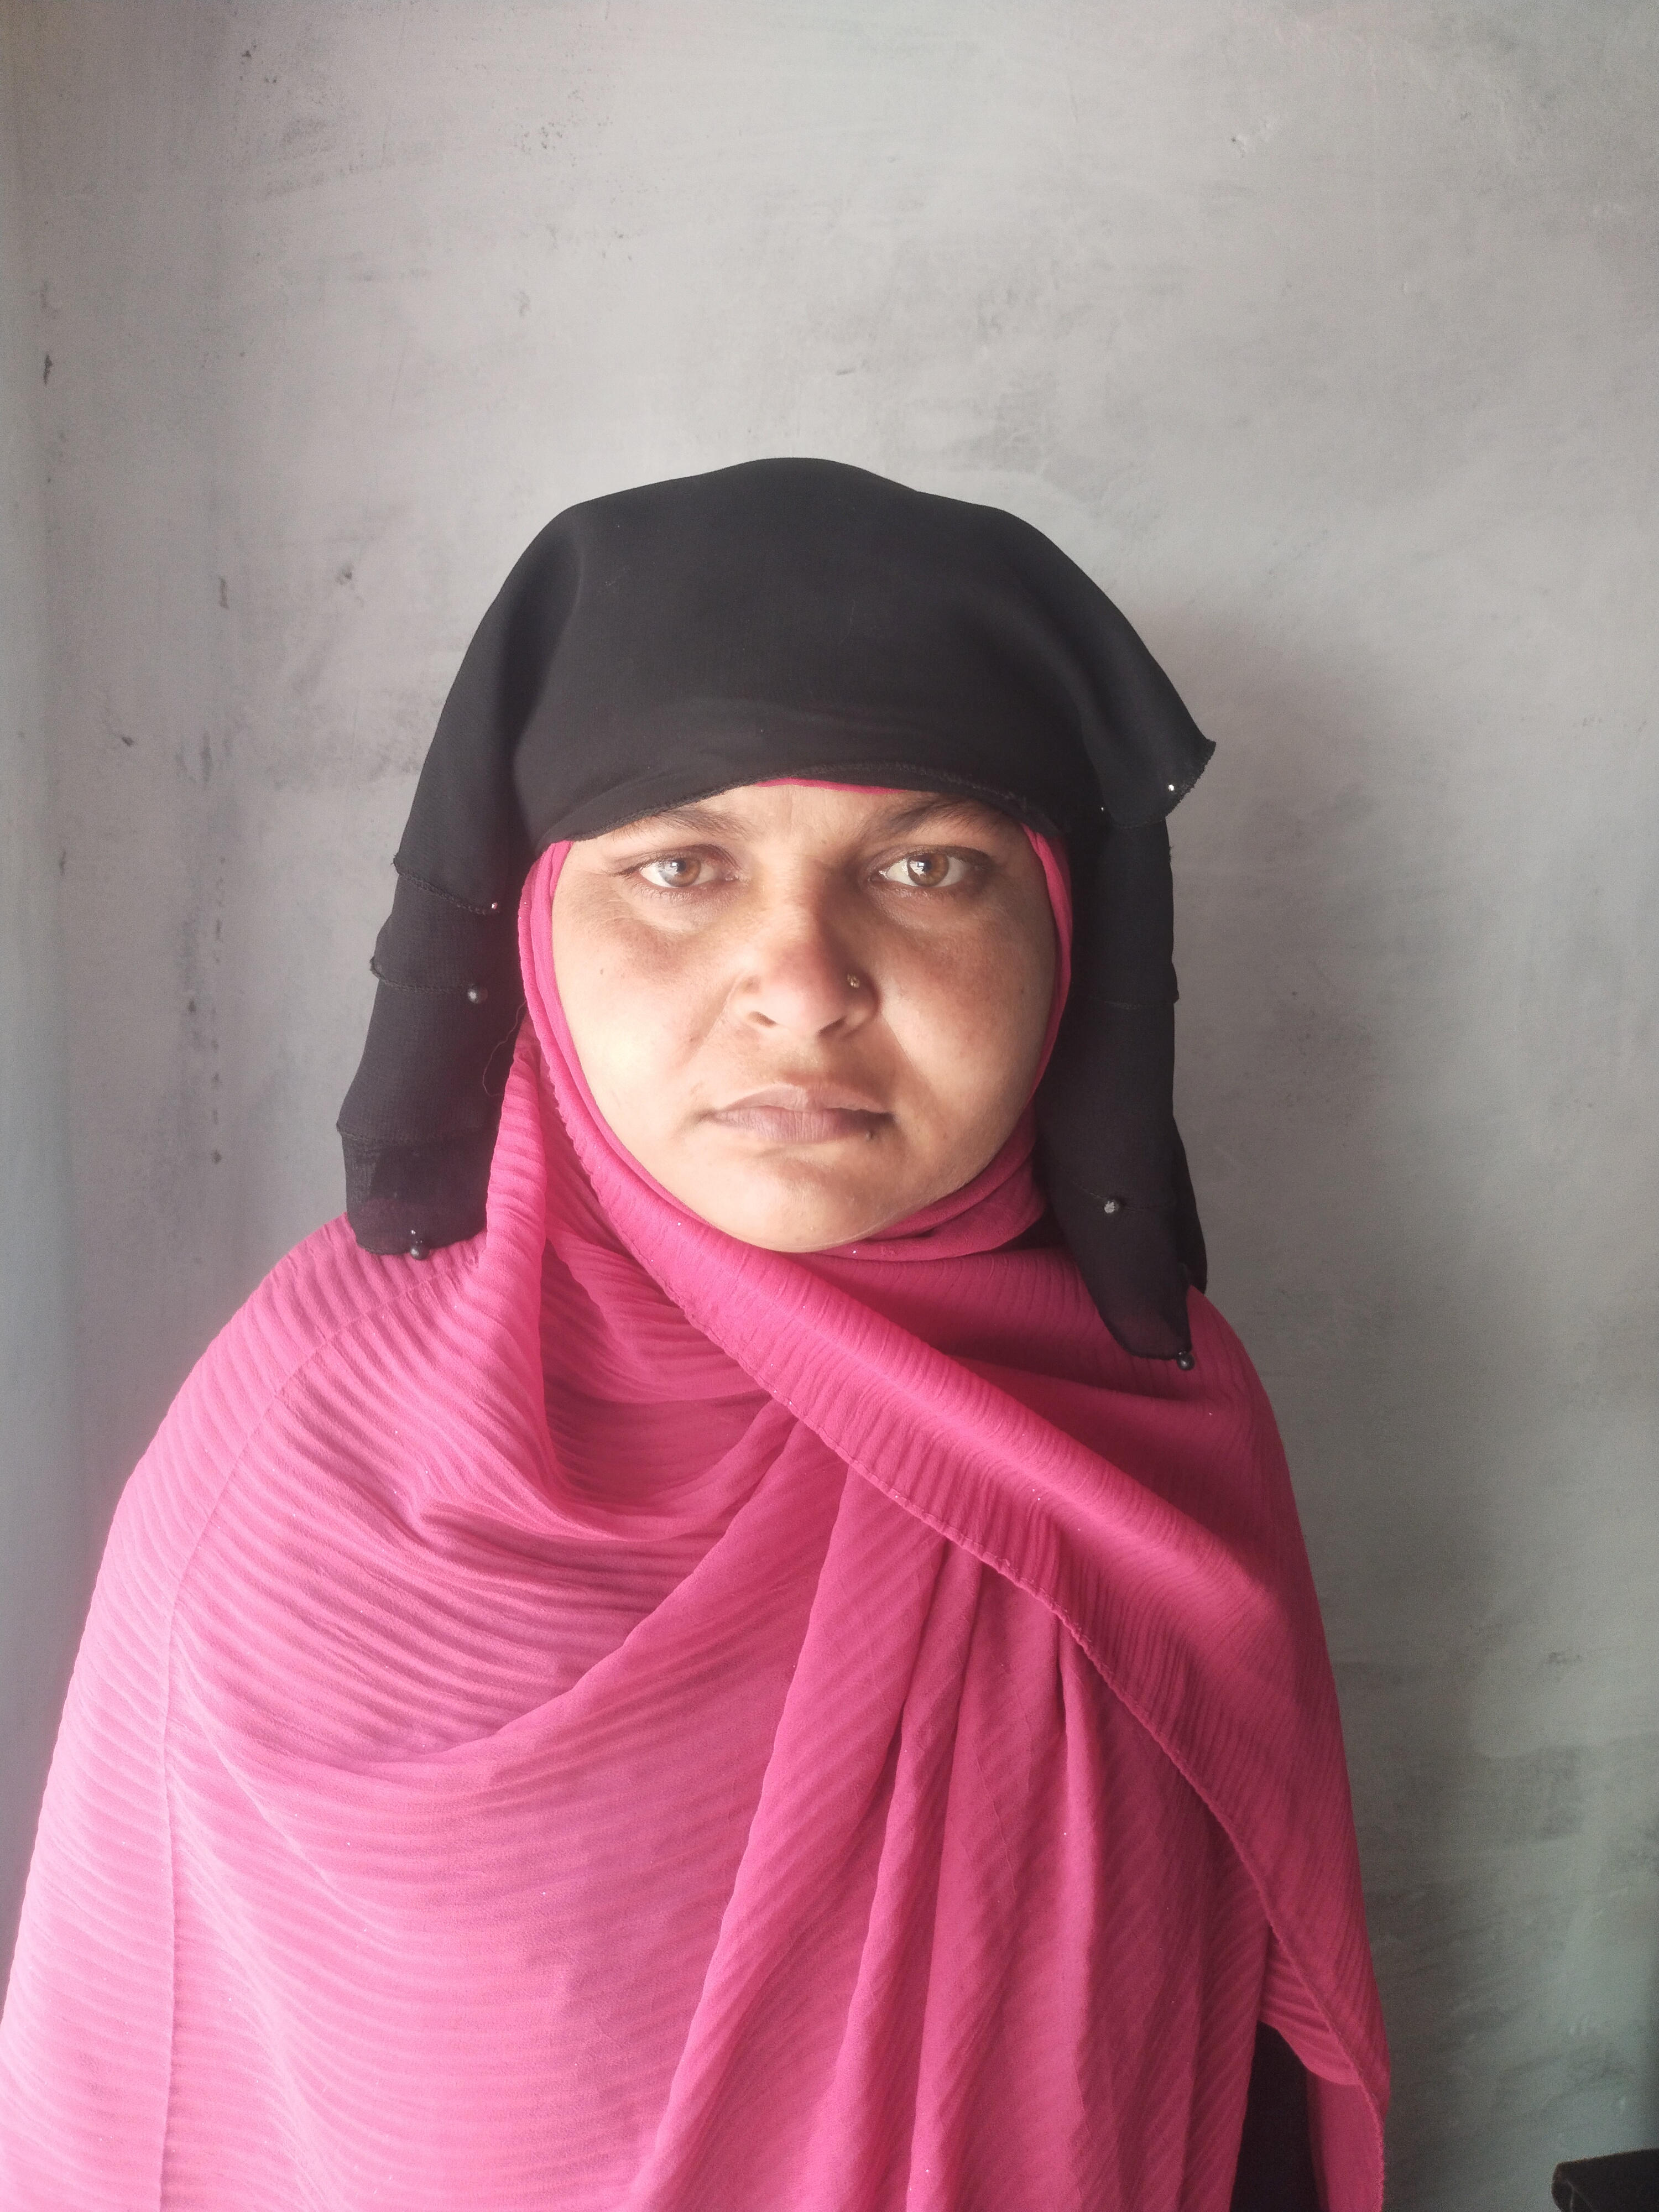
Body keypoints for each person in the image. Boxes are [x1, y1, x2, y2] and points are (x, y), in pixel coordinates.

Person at [0, 459, 1387, 2209]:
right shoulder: (308, 1450)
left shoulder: (1140, 1421)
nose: (801, 982)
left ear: (1066, 933)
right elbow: (159, 2084)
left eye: (929, 866)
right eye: (679, 865)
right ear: (534, 925)